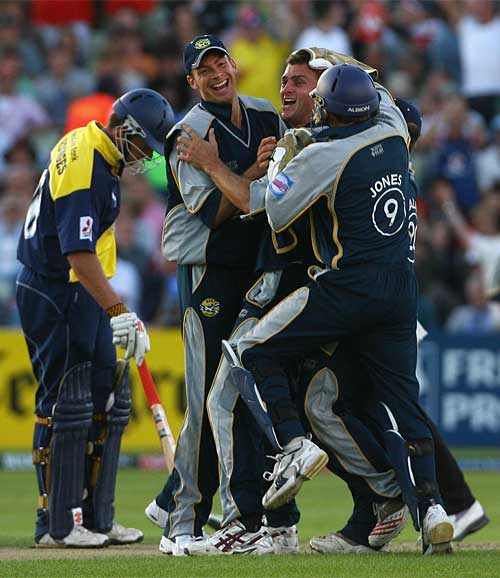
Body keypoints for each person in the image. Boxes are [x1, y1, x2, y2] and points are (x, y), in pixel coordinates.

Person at [233, 63, 454, 554]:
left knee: (255, 351)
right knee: (404, 401)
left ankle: (294, 446)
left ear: (328, 109)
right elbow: (381, 92)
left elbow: (276, 210)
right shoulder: (395, 129)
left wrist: (287, 156)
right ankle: (433, 507)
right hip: (401, 287)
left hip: (348, 284)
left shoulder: (325, 154)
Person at [16, 88, 175, 547]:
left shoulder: (94, 148)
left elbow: (92, 250)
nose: (147, 157)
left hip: (78, 287)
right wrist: (118, 308)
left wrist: (118, 309)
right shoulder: (89, 166)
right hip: (55, 289)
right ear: (124, 131)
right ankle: (59, 524)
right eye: (144, 146)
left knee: (110, 397)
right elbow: (77, 252)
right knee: (66, 405)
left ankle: (97, 518)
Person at [149, 34, 285, 556]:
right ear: (191, 81)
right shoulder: (188, 134)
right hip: (207, 271)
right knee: (208, 398)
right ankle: (181, 520)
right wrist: (238, 169)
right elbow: (217, 213)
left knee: (241, 396)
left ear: (233, 64)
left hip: (254, 266)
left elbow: (279, 185)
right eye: (204, 69)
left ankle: (247, 512)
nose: (216, 72)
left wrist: (244, 174)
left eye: (220, 61)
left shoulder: (264, 114)